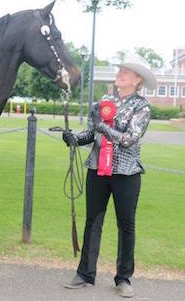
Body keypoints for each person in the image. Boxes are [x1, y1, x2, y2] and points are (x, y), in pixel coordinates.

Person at [62, 54, 157, 298]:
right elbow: (92, 134)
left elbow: (128, 140)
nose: (120, 73)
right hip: (98, 170)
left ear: (137, 80)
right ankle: (85, 274)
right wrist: (74, 138)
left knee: (126, 225)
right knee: (92, 221)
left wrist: (102, 126)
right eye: (121, 70)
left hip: (126, 173)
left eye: (126, 71)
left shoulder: (142, 107)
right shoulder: (104, 100)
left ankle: (123, 277)